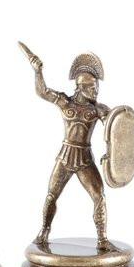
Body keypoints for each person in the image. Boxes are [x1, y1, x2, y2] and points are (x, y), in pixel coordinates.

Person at [26, 50, 113, 251]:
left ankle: (102, 239)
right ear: (81, 88)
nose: (96, 92)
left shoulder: (98, 109)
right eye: (92, 88)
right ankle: (44, 231)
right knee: (51, 195)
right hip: (65, 157)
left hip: (85, 159)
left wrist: (112, 154)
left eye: (96, 88)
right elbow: (42, 92)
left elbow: (114, 130)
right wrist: (38, 71)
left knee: (99, 196)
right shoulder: (65, 102)